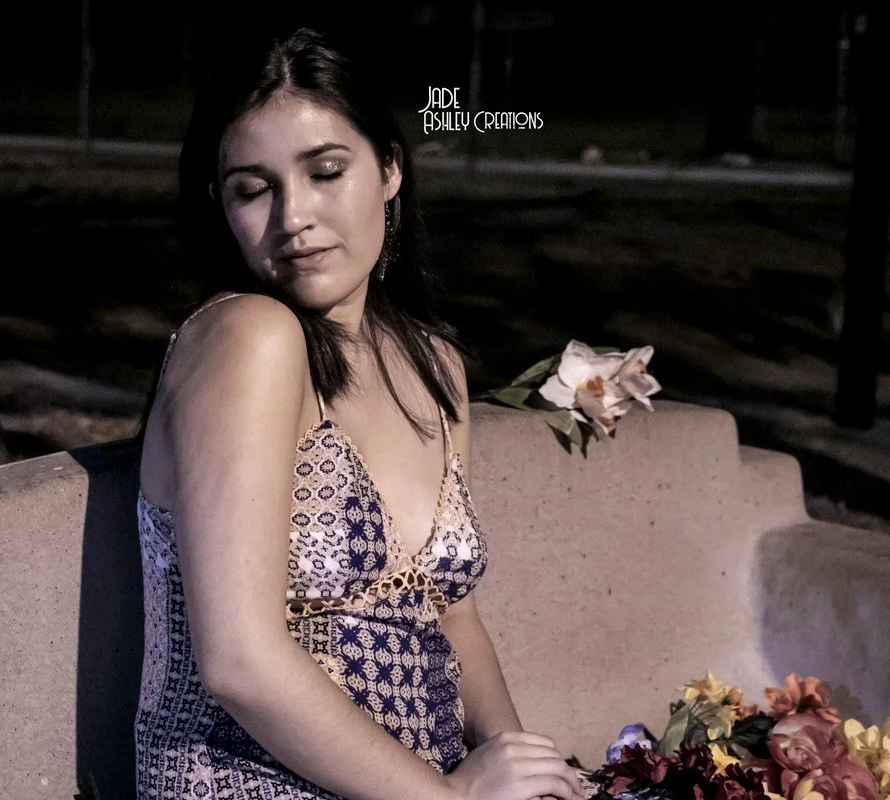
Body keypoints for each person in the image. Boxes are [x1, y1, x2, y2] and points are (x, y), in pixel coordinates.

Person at [134, 26, 589, 800]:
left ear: (389, 169)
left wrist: (525, 769)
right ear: (221, 207)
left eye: (325, 172)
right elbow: (239, 660)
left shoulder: (431, 364)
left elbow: (454, 618)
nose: (294, 216)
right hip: (247, 781)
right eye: (254, 188)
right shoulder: (247, 338)